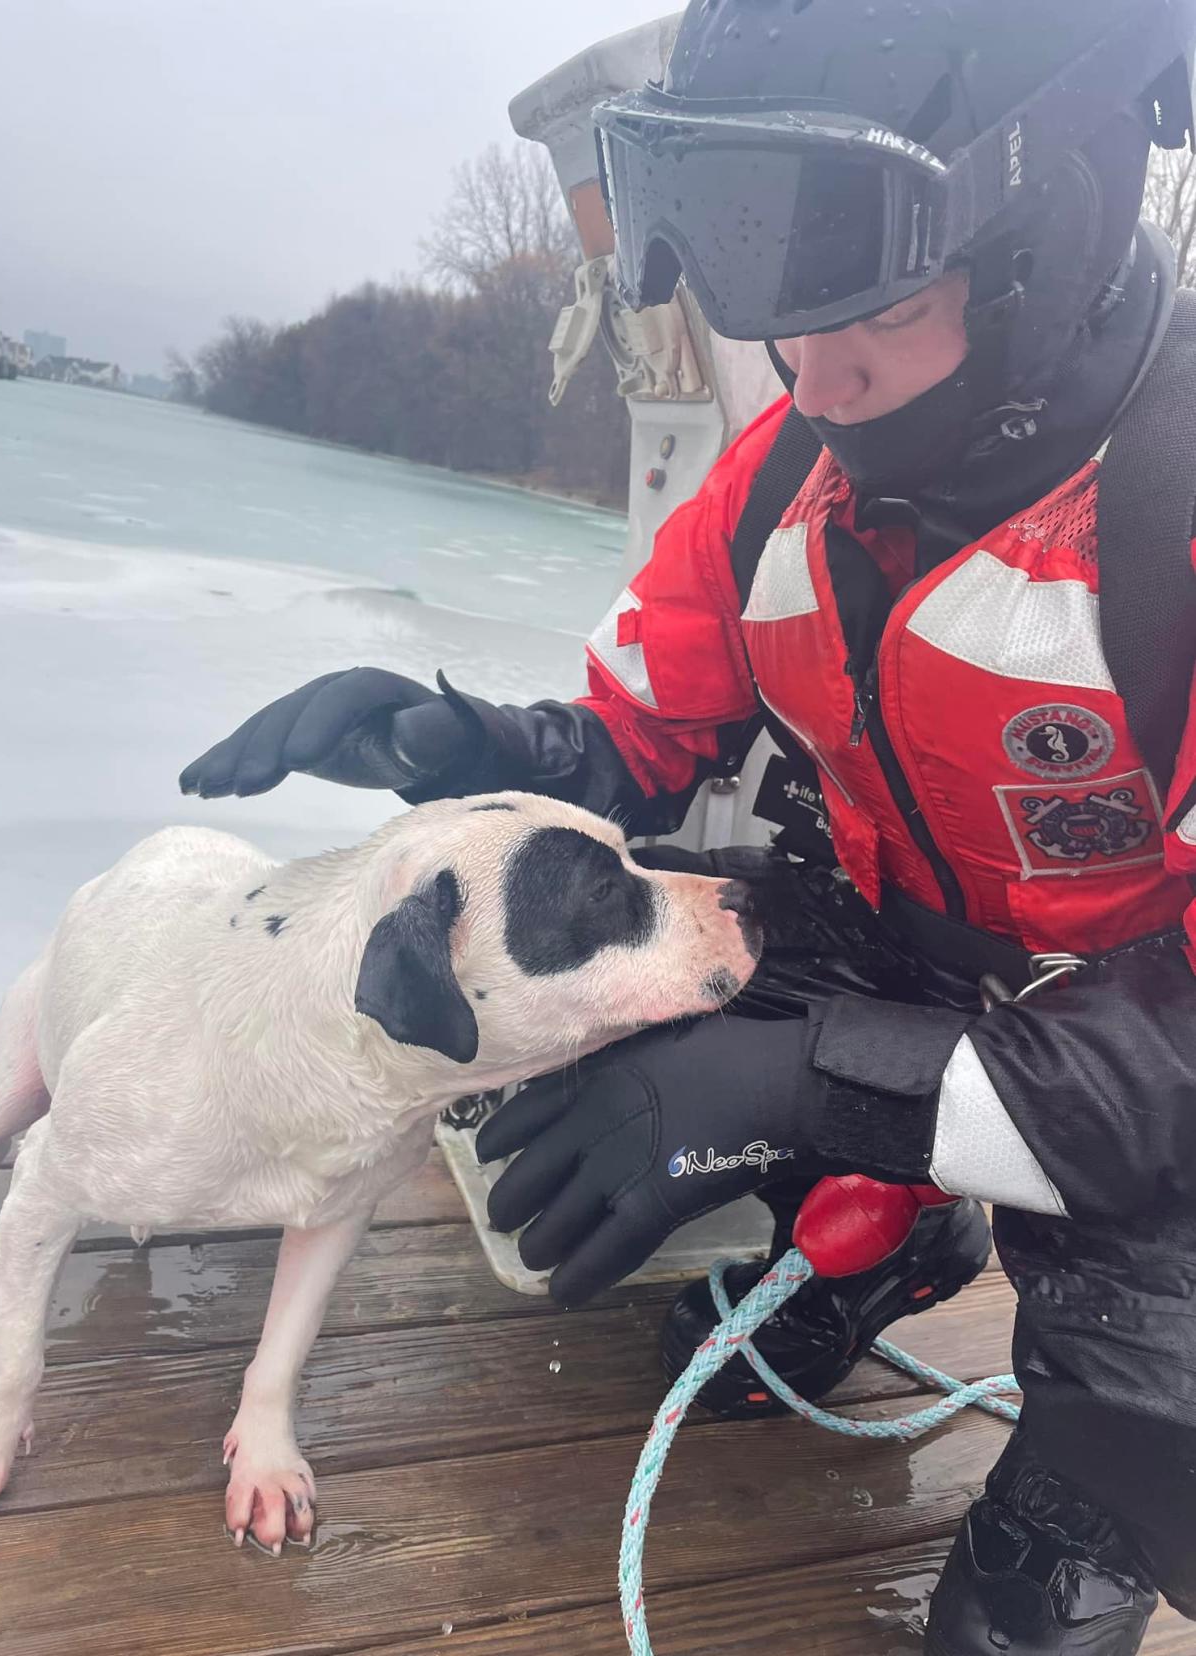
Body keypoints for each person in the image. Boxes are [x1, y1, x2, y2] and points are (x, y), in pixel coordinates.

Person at [179, 2, 1196, 1650]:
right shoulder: (793, 465)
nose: (811, 373)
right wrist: (461, 742)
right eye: (784, 326)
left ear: (1047, 245)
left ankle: (1088, 1492)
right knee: (623, 961)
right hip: (914, 948)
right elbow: (648, 735)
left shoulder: (1166, 513)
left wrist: (800, 1076)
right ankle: (869, 1247)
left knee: (1157, 1379)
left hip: (1148, 1047)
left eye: (881, 313)